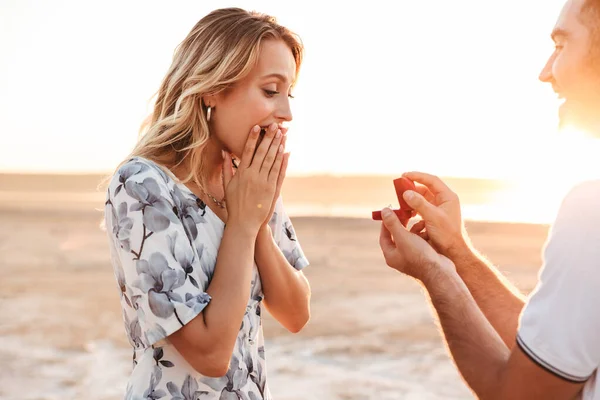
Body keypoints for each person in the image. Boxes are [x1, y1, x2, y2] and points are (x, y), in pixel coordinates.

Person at [378, 0, 600, 398]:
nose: (544, 72)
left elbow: (517, 394)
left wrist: (435, 273)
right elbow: (553, 353)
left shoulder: (592, 209)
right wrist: (457, 255)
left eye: (562, 44)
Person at [103, 8, 311, 399]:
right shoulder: (142, 186)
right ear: (213, 88)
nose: (286, 113)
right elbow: (210, 354)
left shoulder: (249, 181)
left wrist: (258, 224)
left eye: (288, 94)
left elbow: (297, 313)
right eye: (270, 91)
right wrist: (243, 224)